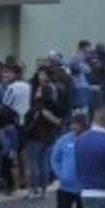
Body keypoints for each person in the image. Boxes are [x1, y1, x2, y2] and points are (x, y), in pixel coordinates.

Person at [46, 114, 87, 208]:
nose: (73, 127)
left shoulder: (88, 140)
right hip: (65, 188)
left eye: (77, 124)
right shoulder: (63, 140)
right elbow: (54, 159)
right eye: (72, 124)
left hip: (83, 188)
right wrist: (60, 174)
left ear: (83, 125)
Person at [22, 68, 64, 200]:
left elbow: (27, 122)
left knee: (33, 164)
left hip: (34, 137)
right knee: (45, 163)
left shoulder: (36, 108)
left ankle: (33, 190)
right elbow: (58, 120)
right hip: (49, 136)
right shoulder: (53, 106)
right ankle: (44, 191)